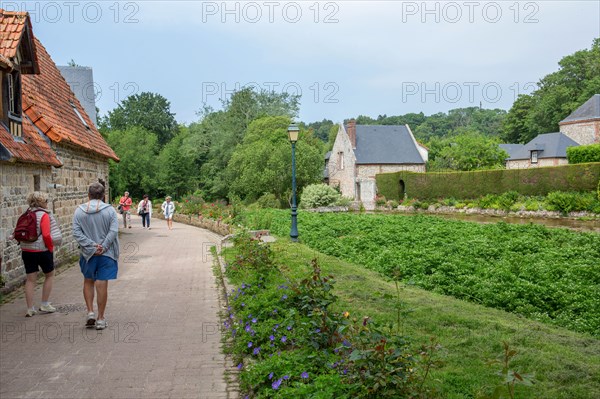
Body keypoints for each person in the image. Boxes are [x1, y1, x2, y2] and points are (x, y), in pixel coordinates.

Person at [73, 182, 119, 330]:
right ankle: (101, 318)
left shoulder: (79, 211)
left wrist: (91, 246)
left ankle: (90, 312)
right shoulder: (110, 211)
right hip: (107, 253)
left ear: (88, 195)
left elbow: (76, 233)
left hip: (88, 254)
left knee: (88, 281)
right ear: (103, 195)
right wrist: (103, 246)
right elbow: (113, 231)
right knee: (102, 282)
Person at [17, 192, 62, 317]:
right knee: (50, 275)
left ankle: (30, 308)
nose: (47, 203)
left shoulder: (25, 214)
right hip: (42, 251)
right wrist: (50, 247)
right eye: (46, 201)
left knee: (30, 279)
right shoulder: (44, 215)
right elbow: (47, 235)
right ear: (41, 202)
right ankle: (45, 303)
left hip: (27, 251)